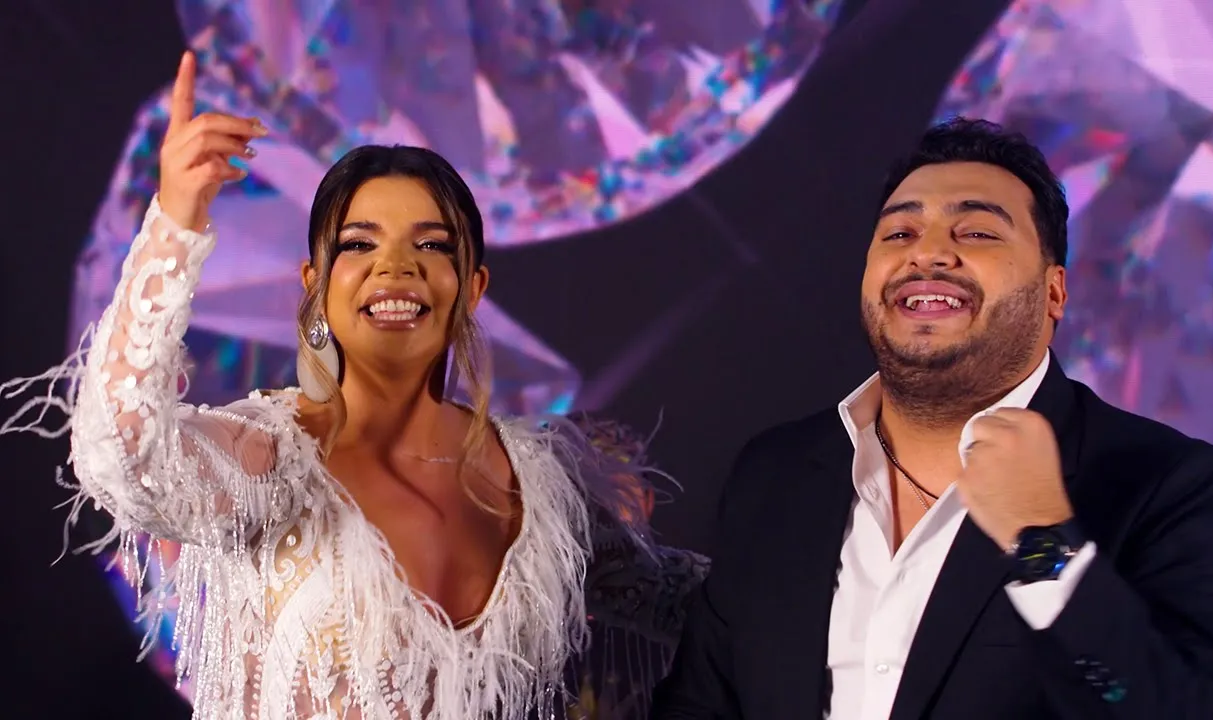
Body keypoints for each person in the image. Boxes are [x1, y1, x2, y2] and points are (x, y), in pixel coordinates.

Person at [2, 52, 707, 720]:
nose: (395, 267)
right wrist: (176, 221)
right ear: (315, 285)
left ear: (472, 287)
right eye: (359, 244)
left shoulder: (545, 487)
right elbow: (122, 455)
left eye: (431, 245)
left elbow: (699, 609)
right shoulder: (272, 460)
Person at [651, 118, 1213, 719]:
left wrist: (1042, 543)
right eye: (900, 232)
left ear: (1053, 294)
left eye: (977, 232)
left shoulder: (1168, 485)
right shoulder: (774, 475)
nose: (928, 252)